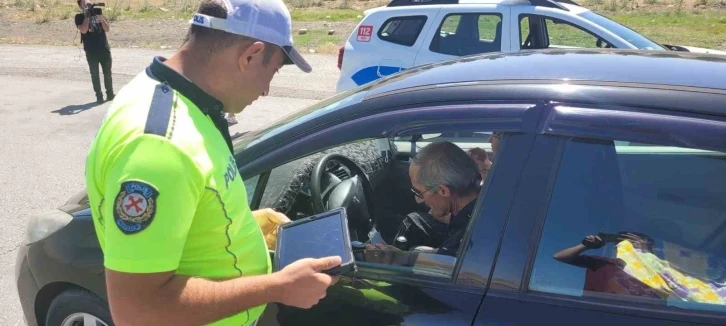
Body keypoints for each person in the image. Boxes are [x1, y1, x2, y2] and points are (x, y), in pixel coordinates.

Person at [83, 0, 339, 325]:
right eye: (272, 72)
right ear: (250, 55)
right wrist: (276, 288)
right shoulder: (160, 146)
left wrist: (239, 224)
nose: (266, 90)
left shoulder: (178, 95)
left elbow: (190, 201)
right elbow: (137, 312)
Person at [369, 141, 482, 258]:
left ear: (443, 191)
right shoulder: (483, 202)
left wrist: (398, 259)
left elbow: (445, 265)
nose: (418, 200)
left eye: (419, 192)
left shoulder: (467, 238)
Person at [75, 0, 114, 103]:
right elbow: (83, 30)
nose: (87, 5)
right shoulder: (79, 17)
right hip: (91, 51)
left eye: (88, 2)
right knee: (95, 75)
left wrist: (100, 17)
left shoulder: (98, 14)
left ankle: (110, 94)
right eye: (84, 4)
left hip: (104, 49)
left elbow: (107, 28)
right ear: (80, 6)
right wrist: (87, 16)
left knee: (108, 73)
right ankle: (99, 96)